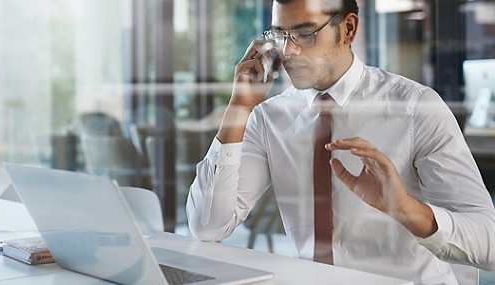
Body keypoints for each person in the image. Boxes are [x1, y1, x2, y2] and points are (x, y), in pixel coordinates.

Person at [186, 0, 495, 283]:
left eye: (304, 34)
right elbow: (208, 226)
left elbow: (489, 244)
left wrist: (405, 209)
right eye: (280, 35)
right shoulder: (269, 117)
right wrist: (238, 109)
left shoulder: (416, 108)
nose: (289, 51)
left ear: (347, 29)